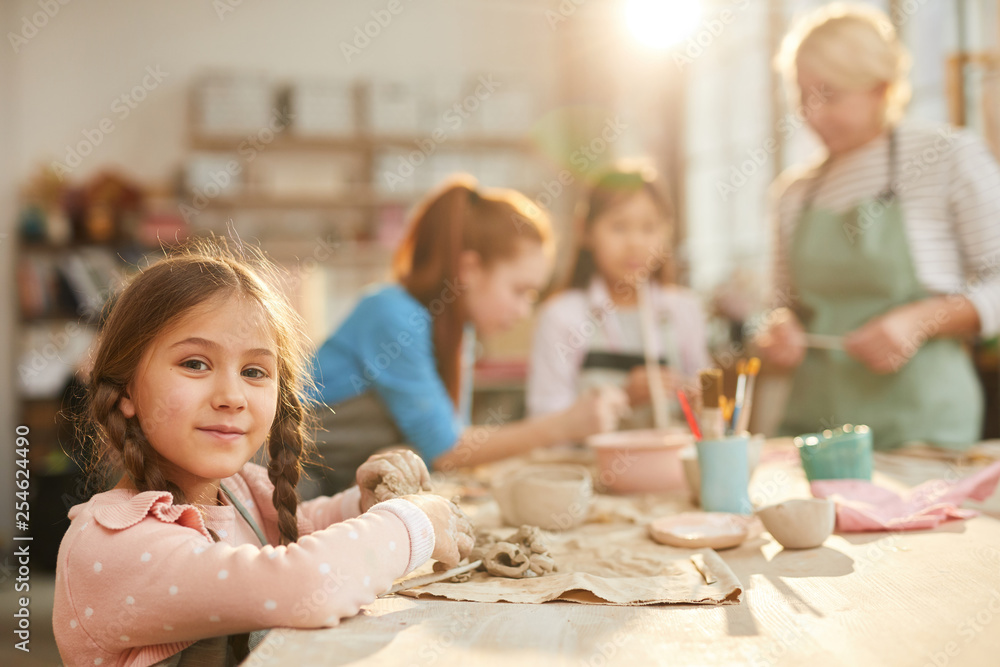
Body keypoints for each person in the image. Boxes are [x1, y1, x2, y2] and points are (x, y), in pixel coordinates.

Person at [53, 239, 473, 666]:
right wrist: (412, 526)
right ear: (126, 389)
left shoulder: (240, 490)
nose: (232, 397)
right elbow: (301, 584)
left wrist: (362, 501)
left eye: (254, 371)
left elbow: (303, 529)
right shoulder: (111, 544)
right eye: (195, 363)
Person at [756, 3, 1000, 450]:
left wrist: (921, 320)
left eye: (829, 94)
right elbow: (780, 306)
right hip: (815, 432)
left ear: (881, 88)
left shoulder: (949, 157)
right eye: (802, 95)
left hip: (923, 432)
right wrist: (778, 330)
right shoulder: (792, 195)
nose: (811, 113)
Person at [310, 175, 627, 484]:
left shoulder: (458, 333)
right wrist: (562, 426)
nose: (525, 310)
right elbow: (447, 450)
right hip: (287, 476)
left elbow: (456, 440)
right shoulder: (393, 315)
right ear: (469, 269)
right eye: (520, 291)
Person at [527, 164, 710, 428]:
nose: (635, 242)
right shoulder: (563, 316)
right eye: (619, 227)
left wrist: (700, 404)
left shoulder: (684, 310)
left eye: (648, 228)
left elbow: (706, 416)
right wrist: (624, 397)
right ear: (585, 230)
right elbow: (545, 422)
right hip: (590, 466)